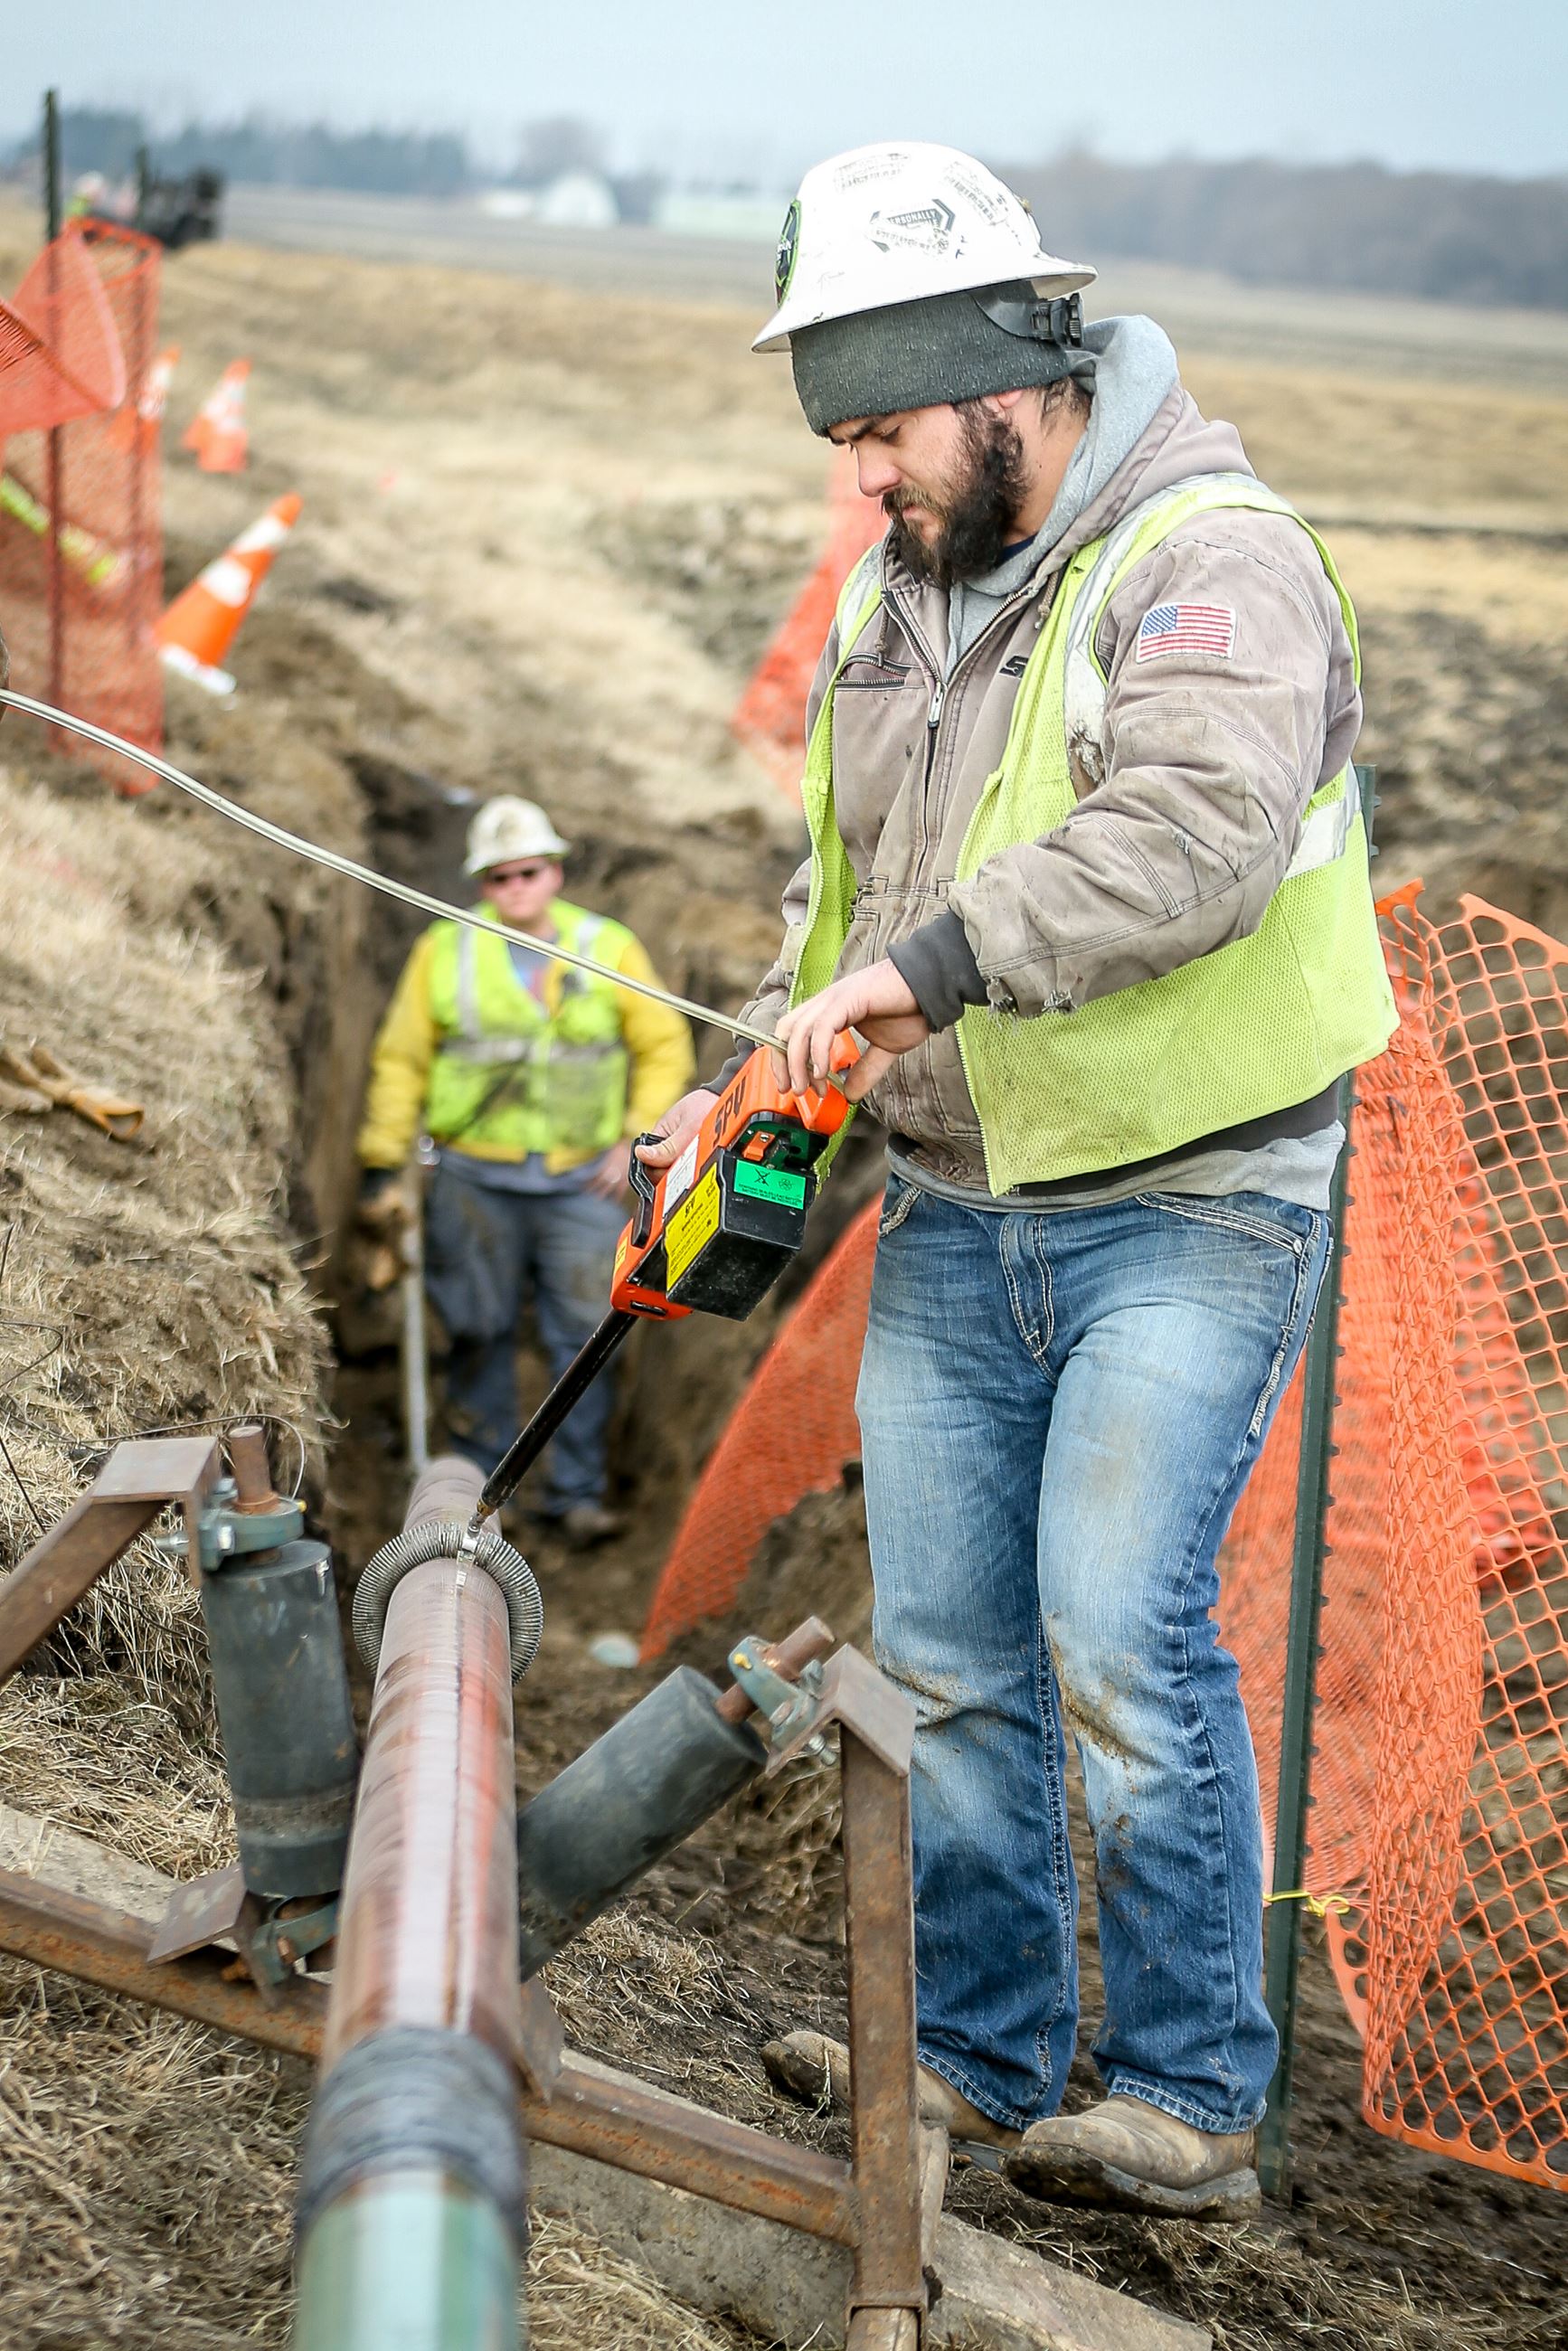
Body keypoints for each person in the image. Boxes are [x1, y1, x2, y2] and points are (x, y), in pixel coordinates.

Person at [641, 142, 1396, 2215]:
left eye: (878, 428)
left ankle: (1181, 2096)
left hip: (1194, 1196)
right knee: (955, 1649)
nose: (864, 476)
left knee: (1114, 1633)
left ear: (997, 381)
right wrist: (741, 1088)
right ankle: (971, 2052)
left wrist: (922, 970)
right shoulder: (905, 598)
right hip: (958, 1202)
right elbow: (849, 909)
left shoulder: (1211, 561)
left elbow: (1188, 833)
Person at [358, 795, 694, 1544]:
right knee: (478, 1329)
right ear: (482, 881)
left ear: (556, 871)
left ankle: (574, 1494)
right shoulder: (444, 952)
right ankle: (475, 1495)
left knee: (585, 1337)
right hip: (476, 1179)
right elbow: (402, 1059)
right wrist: (383, 1164)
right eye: (499, 876)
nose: (516, 887)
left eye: (529, 872)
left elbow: (664, 1047)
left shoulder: (608, 947)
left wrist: (637, 1143)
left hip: (584, 1184)